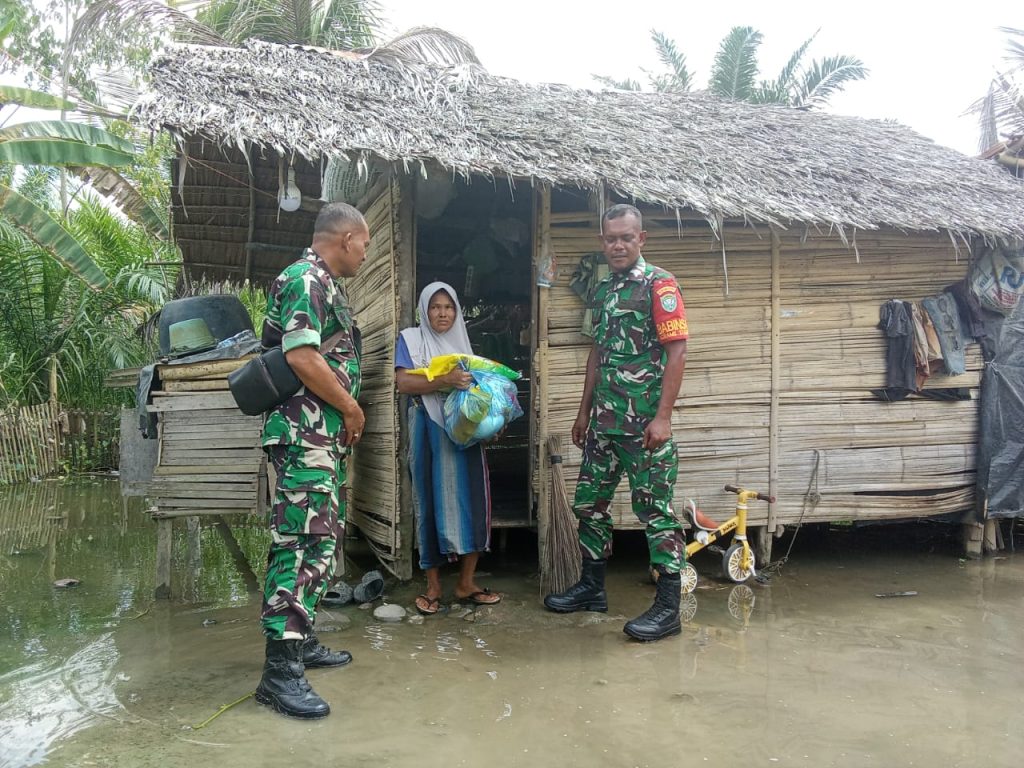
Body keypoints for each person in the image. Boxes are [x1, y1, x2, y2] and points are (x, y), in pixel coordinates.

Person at [543, 203, 689, 642]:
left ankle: (668, 609)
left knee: (656, 513)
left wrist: (663, 417)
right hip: (604, 425)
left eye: (626, 237)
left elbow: (677, 352)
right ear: (602, 241)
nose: (618, 245)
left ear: (641, 238)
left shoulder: (660, 285)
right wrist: (583, 411)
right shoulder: (604, 289)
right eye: (611, 238)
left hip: (645, 429)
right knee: (589, 506)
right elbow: (597, 353)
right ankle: (592, 588)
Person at [255, 202, 369, 719]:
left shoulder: (324, 284)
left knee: (320, 539)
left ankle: (300, 640)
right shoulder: (305, 279)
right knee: (301, 542)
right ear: (346, 239)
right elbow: (302, 356)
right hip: (304, 434)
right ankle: (279, 673)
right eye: (364, 244)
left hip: (318, 437)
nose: (365, 254)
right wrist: (351, 407)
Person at [395, 282, 502, 616]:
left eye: (448, 307)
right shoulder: (411, 340)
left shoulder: (463, 347)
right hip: (427, 428)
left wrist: (492, 423)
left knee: (472, 498)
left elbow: (484, 391)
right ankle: (433, 587)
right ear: (424, 310)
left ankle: (466, 583)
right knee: (428, 500)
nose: (442, 313)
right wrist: (444, 381)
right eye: (435, 307)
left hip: (464, 432)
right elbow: (404, 383)